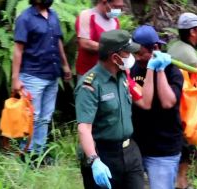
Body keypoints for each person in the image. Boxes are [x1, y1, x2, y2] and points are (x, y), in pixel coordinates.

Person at [75, 29, 166, 189]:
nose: (132, 56)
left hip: (130, 152)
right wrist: (94, 160)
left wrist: (152, 69)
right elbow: (84, 128)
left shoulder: (123, 76)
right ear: (115, 57)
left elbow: (145, 101)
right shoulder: (90, 85)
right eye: (127, 53)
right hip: (103, 154)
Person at [12, 0, 72, 154]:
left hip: (52, 74)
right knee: (32, 117)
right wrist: (15, 78)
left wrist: (65, 65)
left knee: (45, 117)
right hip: (32, 75)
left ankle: (39, 152)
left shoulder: (53, 15)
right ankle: (27, 152)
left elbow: (58, 42)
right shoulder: (25, 18)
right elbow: (18, 49)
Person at [130, 25, 184, 189]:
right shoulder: (134, 69)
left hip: (163, 148)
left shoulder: (173, 72)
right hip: (137, 145)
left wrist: (158, 69)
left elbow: (168, 102)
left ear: (155, 48)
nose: (137, 57)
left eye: (140, 53)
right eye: (135, 53)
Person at [167, 12, 197, 189]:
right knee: (186, 144)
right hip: (182, 106)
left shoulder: (174, 46)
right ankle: (180, 182)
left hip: (171, 101)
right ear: (193, 32)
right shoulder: (190, 57)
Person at [75, 0, 123, 79]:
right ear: (104, 2)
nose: (118, 10)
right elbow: (85, 43)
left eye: (121, 7)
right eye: (116, 7)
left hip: (109, 72)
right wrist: (112, 48)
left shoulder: (115, 20)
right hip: (88, 72)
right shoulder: (86, 15)